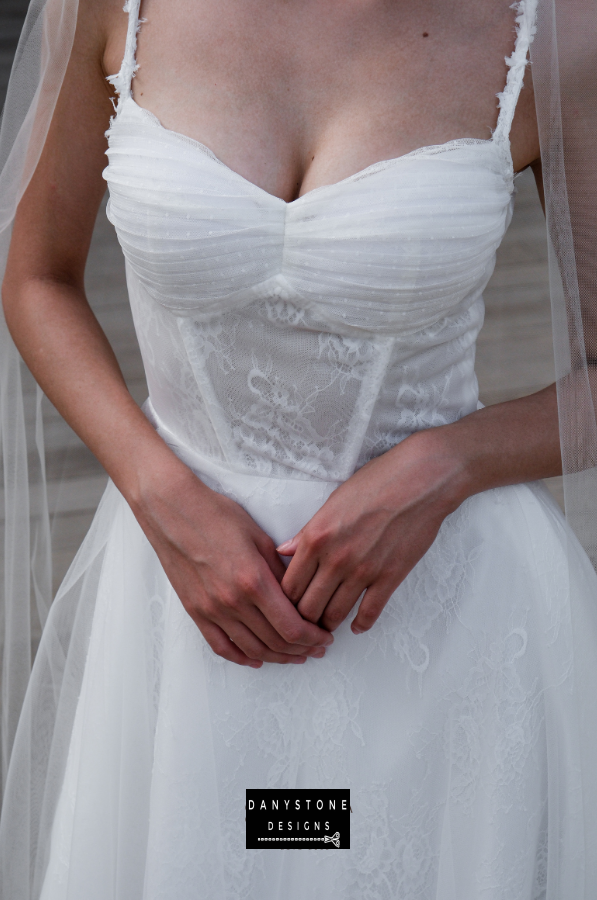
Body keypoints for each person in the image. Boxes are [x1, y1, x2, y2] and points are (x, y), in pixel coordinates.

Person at [1, 0, 597, 897]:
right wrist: (157, 490)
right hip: (183, 603)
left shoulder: (553, 30)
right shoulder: (112, 8)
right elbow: (37, 275)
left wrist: (447, 464)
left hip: (447, 621)